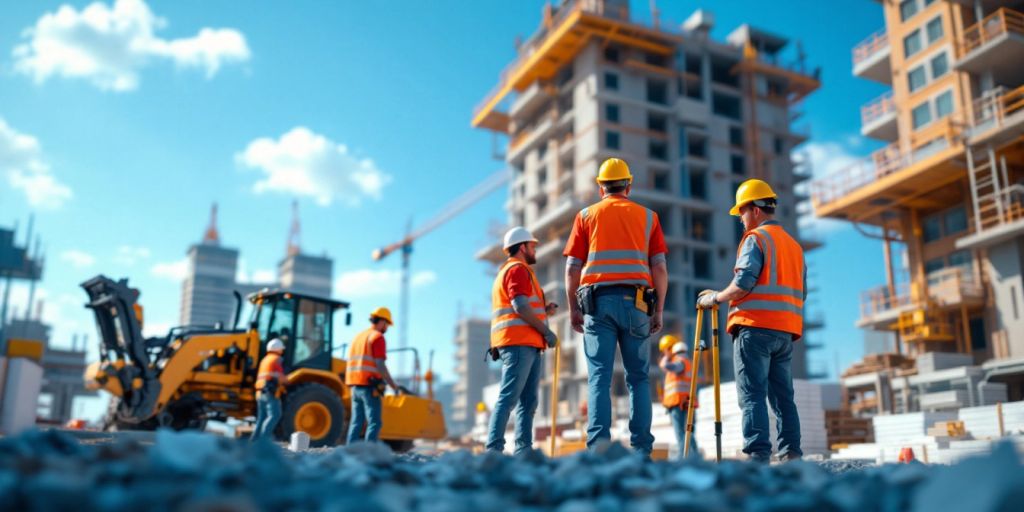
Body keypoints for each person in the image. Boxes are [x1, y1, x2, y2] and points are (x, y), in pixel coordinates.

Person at [563, 158, 668, 456]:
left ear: (600, 188)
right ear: (628, 186)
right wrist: (658, 309)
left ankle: (598, 448)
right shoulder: (648, 217)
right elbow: (659, 268)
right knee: (638, 378)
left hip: (597, 304)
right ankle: (641, 451)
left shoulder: (586, 215)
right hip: (637, 304)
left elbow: (572, 268)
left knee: (599, 377)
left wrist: (573, 308)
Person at [696, 178, 805, 463]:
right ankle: (791, 454)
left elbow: (743, 283)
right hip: (785, 332)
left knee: (752, 394)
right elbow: (801, 292)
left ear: (755, 209)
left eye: (742, 212)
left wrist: (716, 298)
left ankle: (758, 455)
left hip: (754, 328)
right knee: (783, 398)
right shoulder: (794, 246)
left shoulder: (756, 238)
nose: (741, 220)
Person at [486, 226, 559, 454]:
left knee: (528, 403)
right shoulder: (517, 269)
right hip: (518, 343)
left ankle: (523, 451)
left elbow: (522, 306)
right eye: (532, 246)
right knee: (509, 398)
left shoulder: (515, 270)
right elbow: (519, 306)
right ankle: (494, 450)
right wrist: (547, 332)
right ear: (522, 247)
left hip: (527, 343)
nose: (535, 249)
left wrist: (544, 311)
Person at [345, 307, 399, 443]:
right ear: (382, 321)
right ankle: (369, 453)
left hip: (354, 386)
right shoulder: (377, 337)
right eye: (387, 324)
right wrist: (393, 386)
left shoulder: (358, 337)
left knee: (356, 422)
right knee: (374, 422)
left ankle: (349, 451)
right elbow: (380, 364)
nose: (387, 328)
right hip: (370, 386)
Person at [658, 335, 698, 458]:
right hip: (685, 402)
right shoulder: (688, 362)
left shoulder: (680, 361)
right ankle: (694, 456)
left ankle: (683, 458)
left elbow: (666, 366)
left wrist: (665, 358)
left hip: (677, 403)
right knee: (688, 432)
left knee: (681, 433)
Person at [252, 338, 286, 441]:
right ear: (279, 349)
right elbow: (280, 377)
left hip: (259, 392)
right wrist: (287, 380)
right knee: (275, 415)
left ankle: (253, 442)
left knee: (261, 419)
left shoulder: (265, 360)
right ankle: (263, 441)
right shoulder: (277, 359)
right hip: (270, 392)